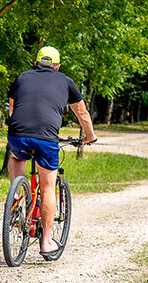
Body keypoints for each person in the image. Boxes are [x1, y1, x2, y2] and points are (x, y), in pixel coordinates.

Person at [7, 46, 97, 260]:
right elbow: (82, 112)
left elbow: (12, 108)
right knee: (48, 188)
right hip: (46, 138)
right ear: (57, 66)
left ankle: (16, 198)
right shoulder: (65, 81)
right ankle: (46, 242)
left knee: (17, 156)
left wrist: (19, 129)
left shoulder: (21, 78)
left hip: (17, 134)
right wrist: (89, 136)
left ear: (36, 63)